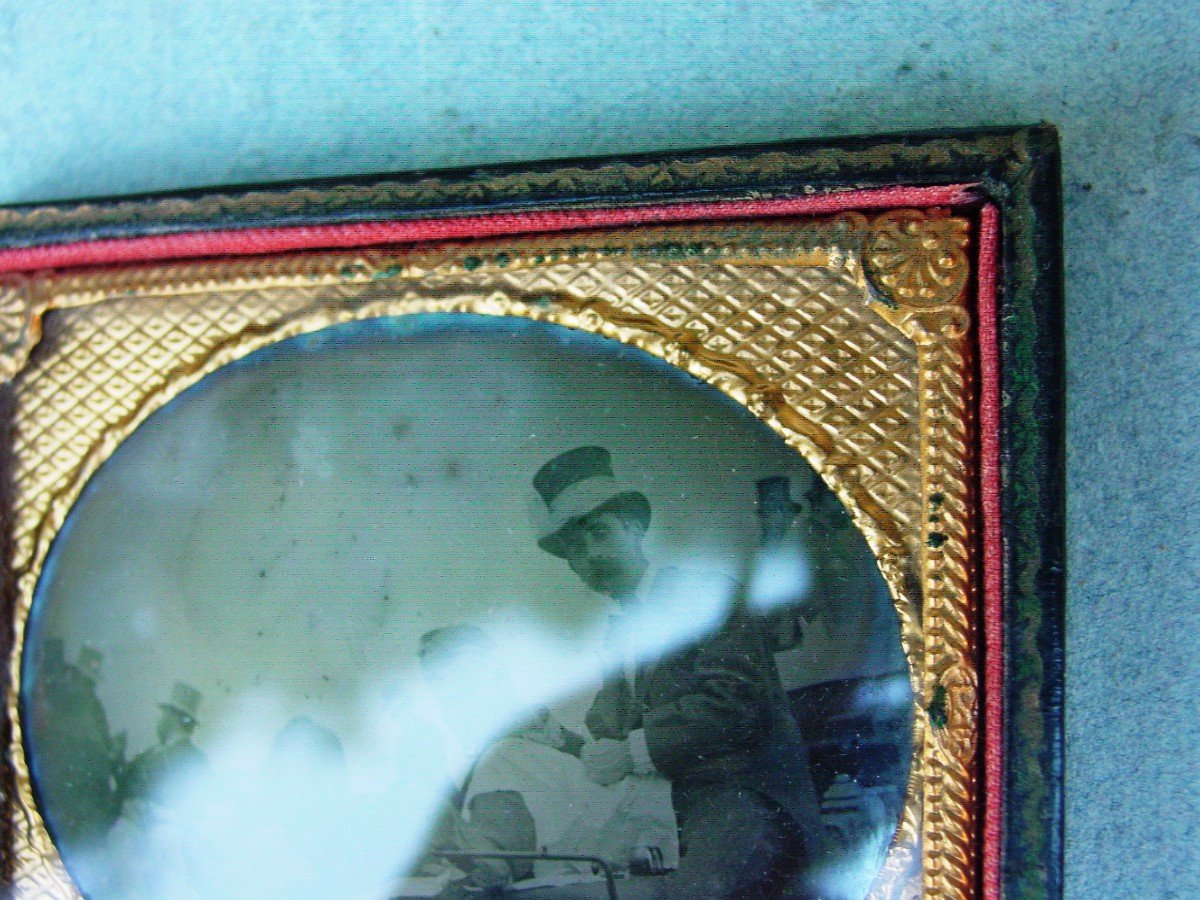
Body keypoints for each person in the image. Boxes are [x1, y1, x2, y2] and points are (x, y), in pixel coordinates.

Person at [530, 446, 829, 898]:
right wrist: (574, 743)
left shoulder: (703, 593)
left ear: (634, 528)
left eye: (599, 534)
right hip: (674, 807)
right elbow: (608, 725)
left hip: (748, 799)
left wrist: (628, 752)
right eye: (574, 549)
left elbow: (732, 703)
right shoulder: (620, 636)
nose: (590, 556)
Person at [410, 625, 677, 897]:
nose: (449, 705)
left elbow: (492, 869)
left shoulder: (503, 758)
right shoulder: (530, 738)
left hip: (618, 862)